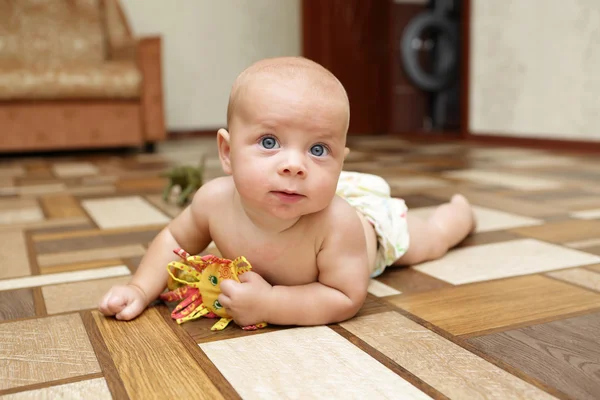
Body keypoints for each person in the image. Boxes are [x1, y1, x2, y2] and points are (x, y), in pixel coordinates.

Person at [98, 56, 475, 327]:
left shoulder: (337, 223)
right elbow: (174, 240)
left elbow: (345, 297)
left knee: (426, 243)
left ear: (340, 163)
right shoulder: (213, 201)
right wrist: (140, 288)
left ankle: (458, 215)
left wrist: (271, 304)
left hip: (373, 230)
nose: (294, 165)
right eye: (269, 141)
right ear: (227, 153)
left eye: (318, 150)